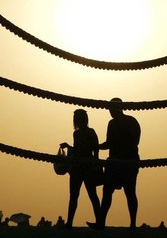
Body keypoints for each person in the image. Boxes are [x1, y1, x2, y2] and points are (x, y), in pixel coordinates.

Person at [89, 97, 141, 230]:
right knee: (126, 192)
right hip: (126, 161)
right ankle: (131, 224)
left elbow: (110, 143)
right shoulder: (131, 121)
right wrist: (98, 146)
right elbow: (134, 142)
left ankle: (104, 223)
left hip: (121, 161)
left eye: (111, 109)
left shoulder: (116, 123)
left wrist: (97, 146)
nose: (110, 112)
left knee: (117, 192)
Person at [60, 109, 102, 229]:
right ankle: (70, 222)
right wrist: (68, 146)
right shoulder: (77, 134)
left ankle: (98, 221)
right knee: (77, 195)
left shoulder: (89, 132)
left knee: (89, 195)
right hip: (79, 167)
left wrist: (95, 164)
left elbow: (95, 149)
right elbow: (85, 150)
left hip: (86, 167)